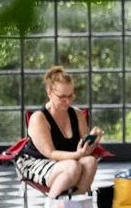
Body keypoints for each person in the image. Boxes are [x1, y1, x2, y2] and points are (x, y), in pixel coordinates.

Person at [14, 66, 102, 198]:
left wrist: (92, 142)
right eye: (62, 97)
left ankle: (73, 203)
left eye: (70, 96)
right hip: (35, 161)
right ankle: (51, 207)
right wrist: (77, 154)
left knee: (90, 162)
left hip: (68, 162)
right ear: (49, 92)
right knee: (73, 167)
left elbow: (84, 150)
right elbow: (50, 153)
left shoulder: (78, 115)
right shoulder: (39, 118)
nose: (68, 101)